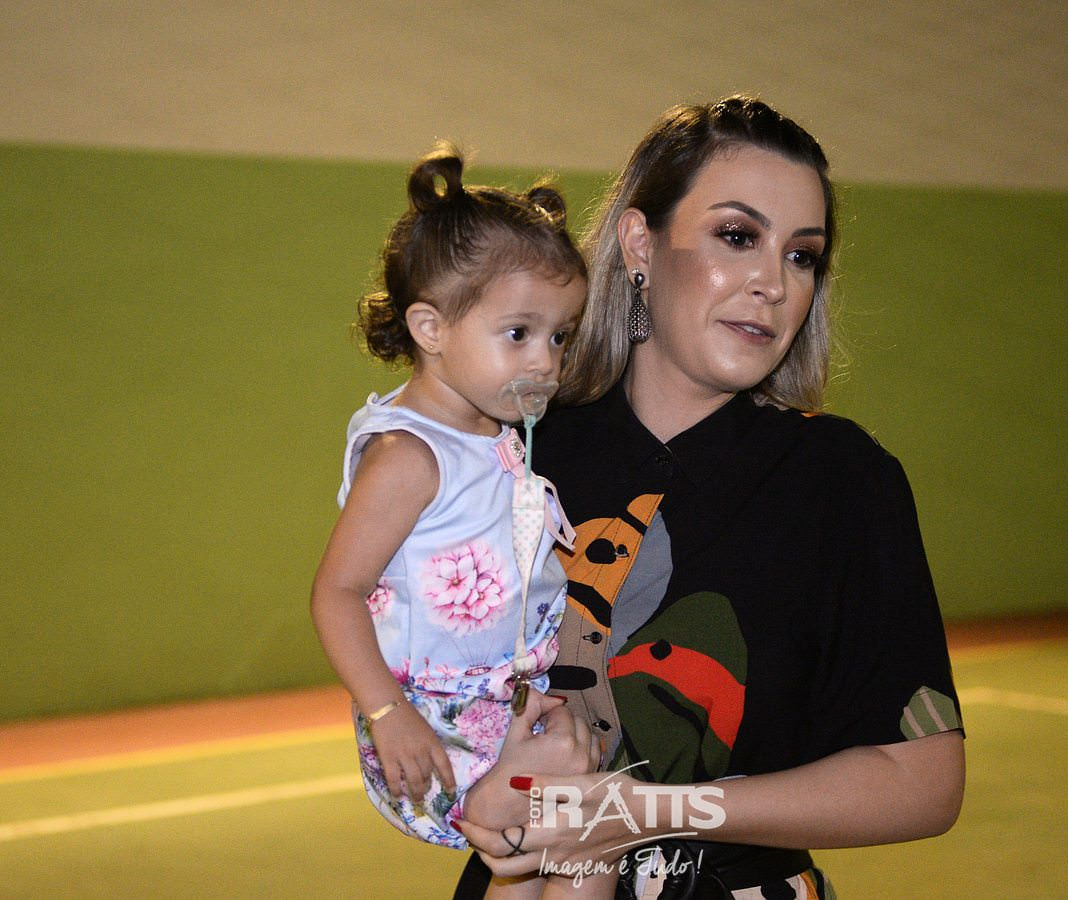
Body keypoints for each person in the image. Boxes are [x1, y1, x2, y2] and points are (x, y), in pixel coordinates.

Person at [453, 96, 965, 899]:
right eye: (737, 236)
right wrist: (475, 791)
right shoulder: (513, 454)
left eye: (802, 256)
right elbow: (422, 701)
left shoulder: (841, 480)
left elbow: (924, 781)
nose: (773, 283)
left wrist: (651, 810)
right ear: (640, 244)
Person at [310, 145, 614, 897]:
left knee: (563, 848)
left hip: (513, 688)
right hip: (442, 716)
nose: (546, 362)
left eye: (560, 336)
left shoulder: (496, 429)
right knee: (573, 839)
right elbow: (337, 593)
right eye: (518, 334)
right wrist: (388, 712)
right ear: (430, 327)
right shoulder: (410, 457)